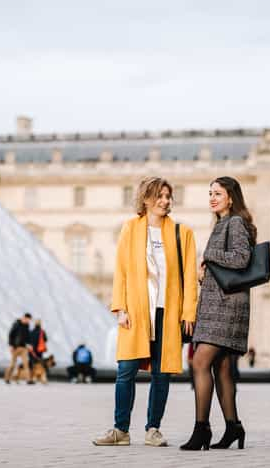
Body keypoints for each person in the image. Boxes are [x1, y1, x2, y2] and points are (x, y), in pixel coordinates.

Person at [93, 177, 198, 448]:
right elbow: (122, 272)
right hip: (137, 312)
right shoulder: (130, 229)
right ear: (145, 199)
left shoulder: (181, 233)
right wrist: (120, 308)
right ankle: (120, 429)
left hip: (167, 311)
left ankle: (153, 429)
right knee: (125, 370)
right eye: (159, 196)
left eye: (167, 196)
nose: (165, 201)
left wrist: (188, 313)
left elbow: (188, 276)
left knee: (161, 374)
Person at [180, 176, 255, 451]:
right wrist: (205, 275)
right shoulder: (222, 223)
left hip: (225, 306)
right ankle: (233, 427)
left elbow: (241, 258)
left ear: (231, 197)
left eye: (218, 193)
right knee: (221, 367)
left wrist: (210, 257)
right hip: (219, 302)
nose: (212, 198)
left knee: (199, 362)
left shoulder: (234, 223)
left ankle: (202, 430)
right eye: (210, 193)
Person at [5, 313, 33, 384]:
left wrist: (29, 344)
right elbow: (10, 334)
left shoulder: (27, 326)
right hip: (15, 347)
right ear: (24, 318)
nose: (28, 321)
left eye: (29, 320)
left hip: (23, 348)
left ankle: (28, 380)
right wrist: (11, 345)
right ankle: (7, 378)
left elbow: (28, 336)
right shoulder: (16, 324)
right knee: (13, 364)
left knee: (26, 363)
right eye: (27, 320)